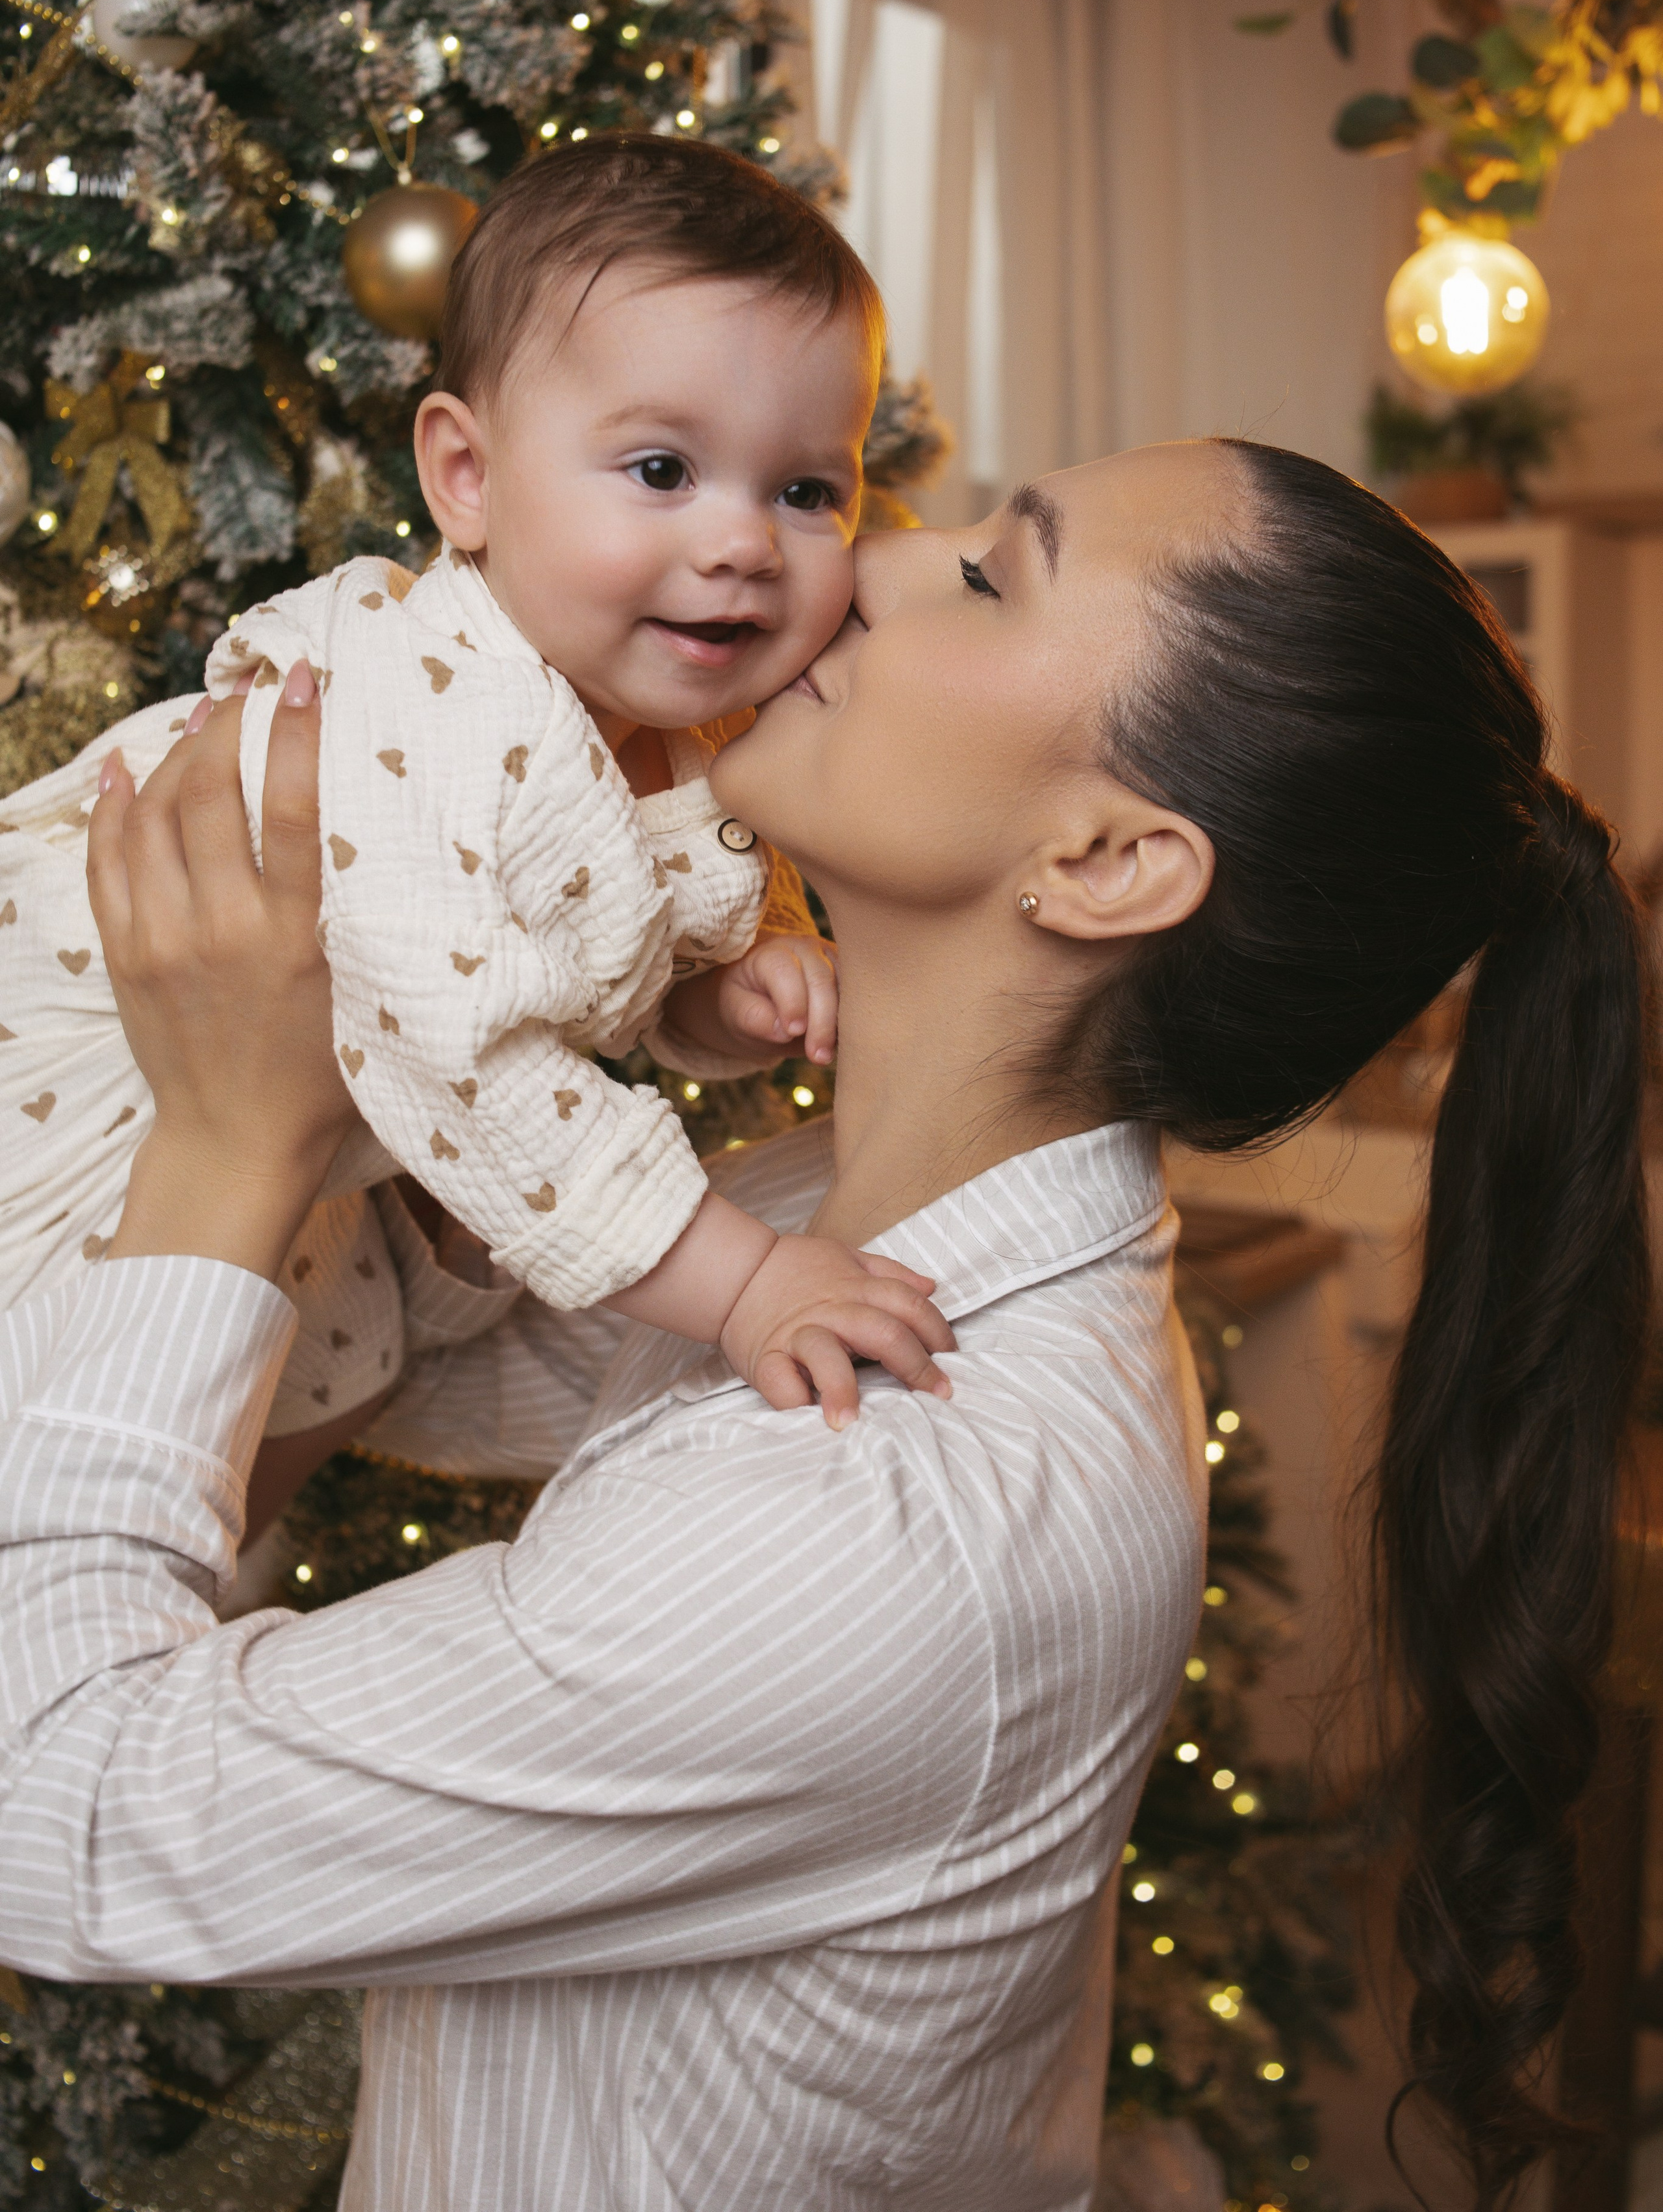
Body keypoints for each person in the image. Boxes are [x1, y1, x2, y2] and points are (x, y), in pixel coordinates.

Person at [0, 438, 1645, 2210]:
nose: (862, 556)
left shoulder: (894, 1517)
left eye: (994, 573)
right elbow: (415, 1374)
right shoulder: (821, 1219)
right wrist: (405, 1043)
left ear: (1104, 862)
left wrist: (232, 1141)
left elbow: (59, 1817)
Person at [0, 136, 952, 1517]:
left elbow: (613, 960)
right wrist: (745, 1279)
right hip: (71, 1108)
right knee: (74, 1475)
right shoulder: (439, 708)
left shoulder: (687, 737)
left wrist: (727, 991)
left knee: (298, 1395)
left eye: (805, 490)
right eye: (661, 469)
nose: (744, 542)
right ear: (466, 476)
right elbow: (466, 1053)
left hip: (300, 1132)